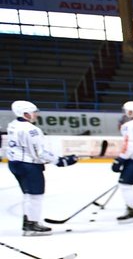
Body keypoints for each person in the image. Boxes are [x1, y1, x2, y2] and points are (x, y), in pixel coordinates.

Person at [5, 100, 78, 235]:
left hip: (15, 163)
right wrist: (60, 161)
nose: (36, 115)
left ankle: (28, 222)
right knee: (35, 195)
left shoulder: (13, 125)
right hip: (28, 166)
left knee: (28, 194)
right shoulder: (32, 130)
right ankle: (32, 224)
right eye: (33, 113)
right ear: (25, 113)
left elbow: (28, 149)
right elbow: (40, 153)